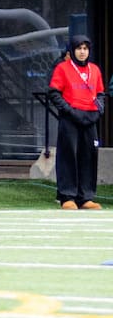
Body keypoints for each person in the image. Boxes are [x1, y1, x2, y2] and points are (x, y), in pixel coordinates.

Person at [48, 35, 103, 210]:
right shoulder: (62, 69)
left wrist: (98, 110)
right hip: (70, 119)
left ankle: (86, 197)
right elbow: (54, 93)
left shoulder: (94, 70)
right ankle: (67, 196)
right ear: (72, 50)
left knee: (89, 157)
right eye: (79, 48)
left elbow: (100, 94)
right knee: (68, 157)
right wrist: (70, 111)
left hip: (89, 119)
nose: (82, 52)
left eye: (85, 48)